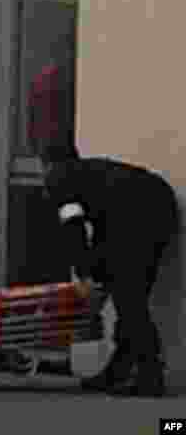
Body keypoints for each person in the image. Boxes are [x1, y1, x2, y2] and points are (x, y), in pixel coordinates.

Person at [43, 143, 179, 397]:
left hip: (137, 215)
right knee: (129, 294)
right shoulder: (93, 173)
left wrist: (84, 276)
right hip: (159, 203)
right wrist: (95, 270)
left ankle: (151, 376)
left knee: (129, 299)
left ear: (47, 164)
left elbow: (74, 229)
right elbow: (103, 234)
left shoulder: (59, 178)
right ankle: (118, 370)